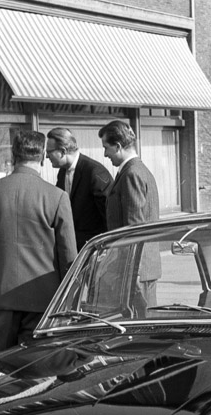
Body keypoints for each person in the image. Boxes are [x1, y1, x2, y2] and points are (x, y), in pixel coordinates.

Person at [0, 131, 77, 355]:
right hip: (43, 301)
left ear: (13, 155)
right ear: (43, 157)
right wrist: (69, 303)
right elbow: (69, 258)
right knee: (37, 373)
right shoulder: (57, 196)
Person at [99, 120, 161, 306]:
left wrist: (133, 272)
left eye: (106, 148)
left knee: (141, 326)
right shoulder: (136, 170)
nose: (105, 154)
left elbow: (134, 228)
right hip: (141, 268)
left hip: (136, 270)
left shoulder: (131, 174)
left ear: (118, 146)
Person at [46, 127, 112, 249]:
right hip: (73, 249)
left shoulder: (95, 172)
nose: (46, 157)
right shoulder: (62, 173)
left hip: (94, 251)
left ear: (62, 151)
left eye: (49, 152)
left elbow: (109, 216)